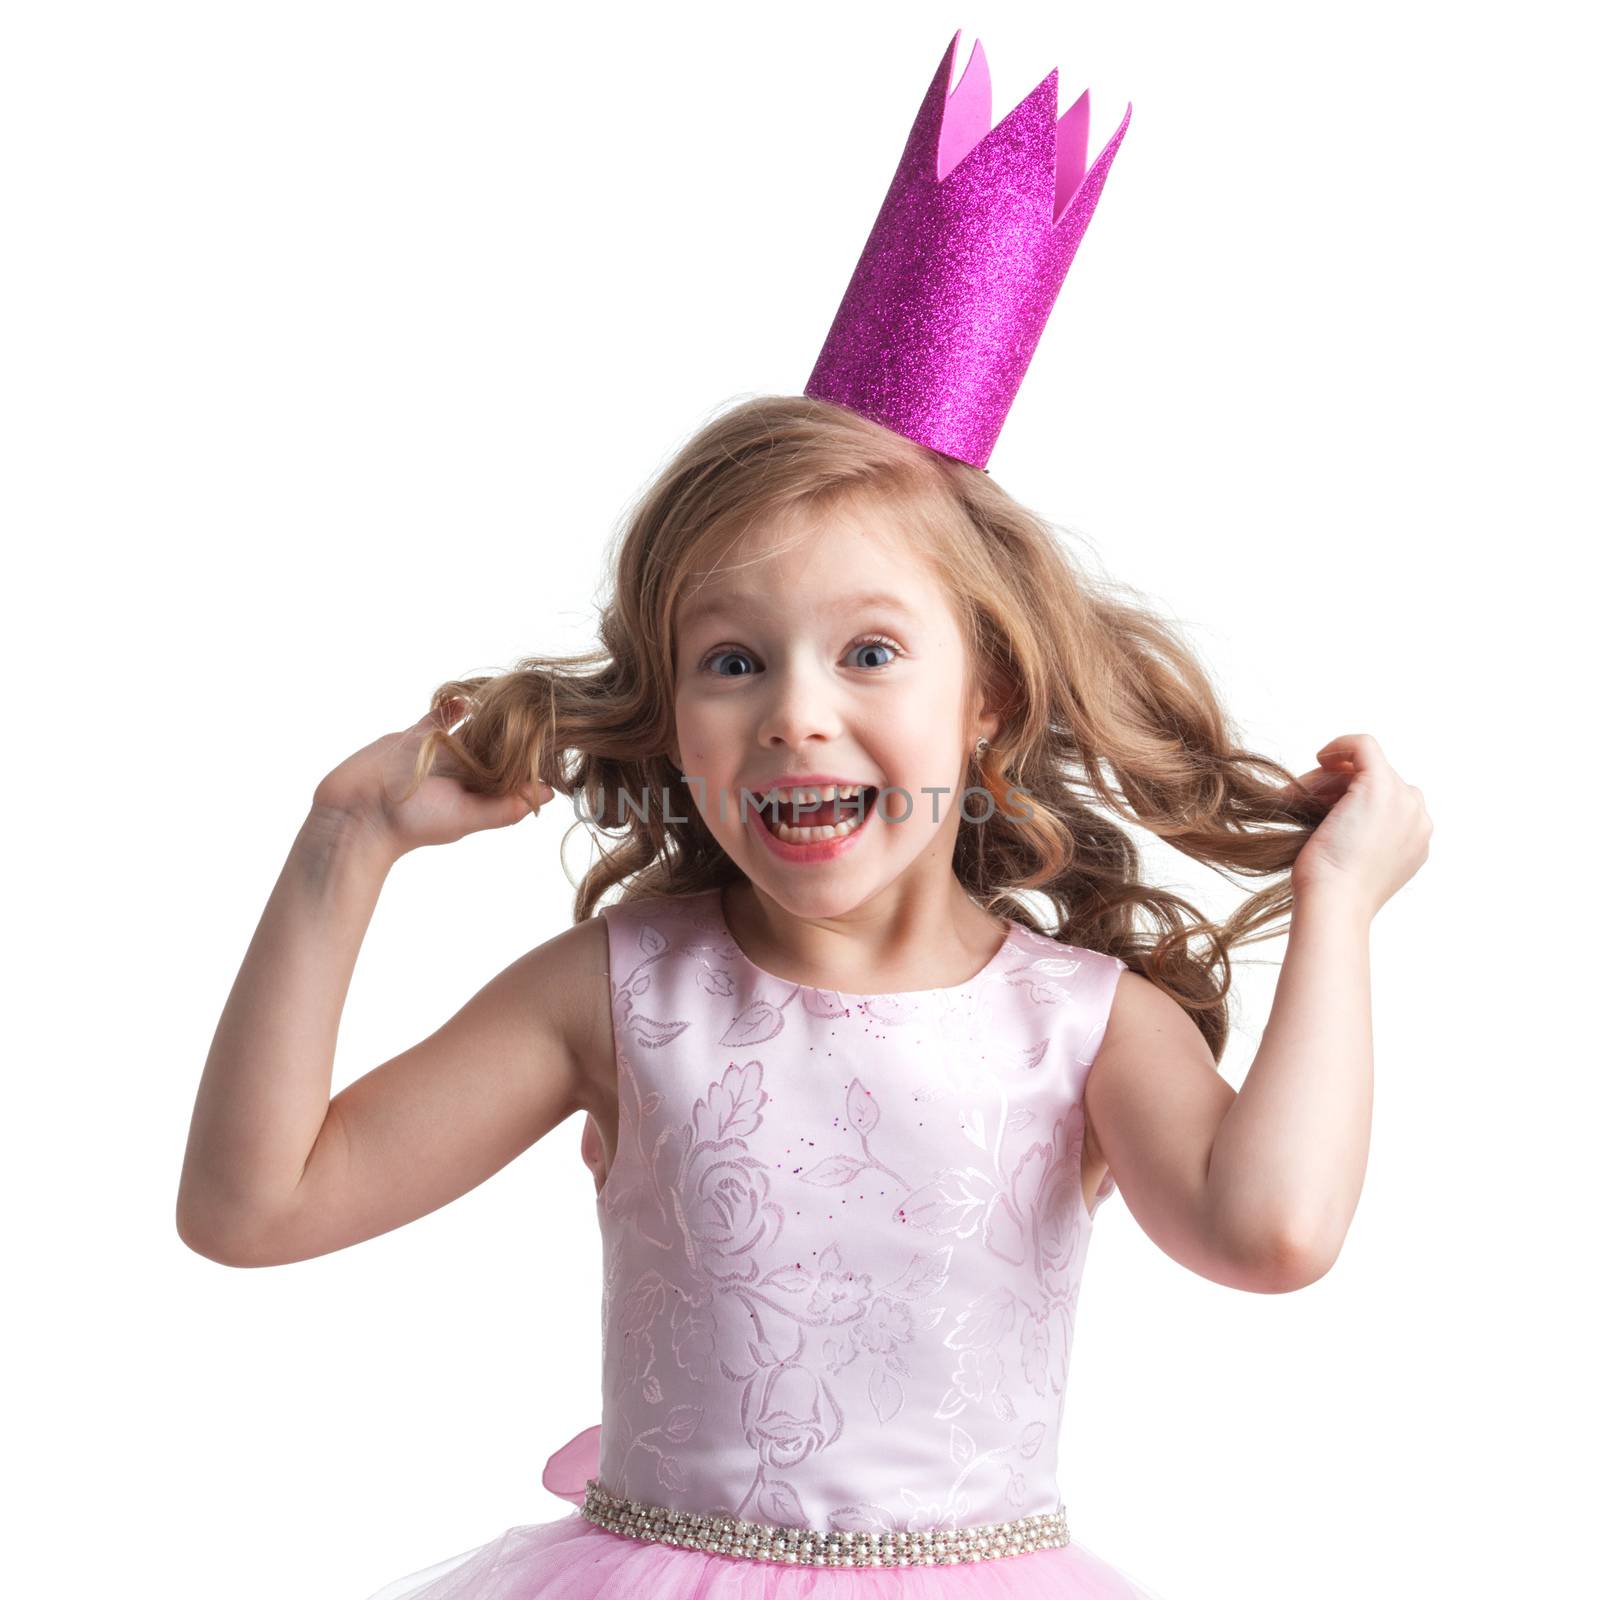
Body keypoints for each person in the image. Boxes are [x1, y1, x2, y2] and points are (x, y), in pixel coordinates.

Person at [176, 29, 1431, 1600]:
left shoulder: (1081, 1023)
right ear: (672, 713)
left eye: (873, 650)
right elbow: (251, 1207)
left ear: (989, 702)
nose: (796, 710)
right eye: (731, 658)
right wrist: (341, 845)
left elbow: (1275, 1233)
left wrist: (1340, 905)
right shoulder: (627, 992)